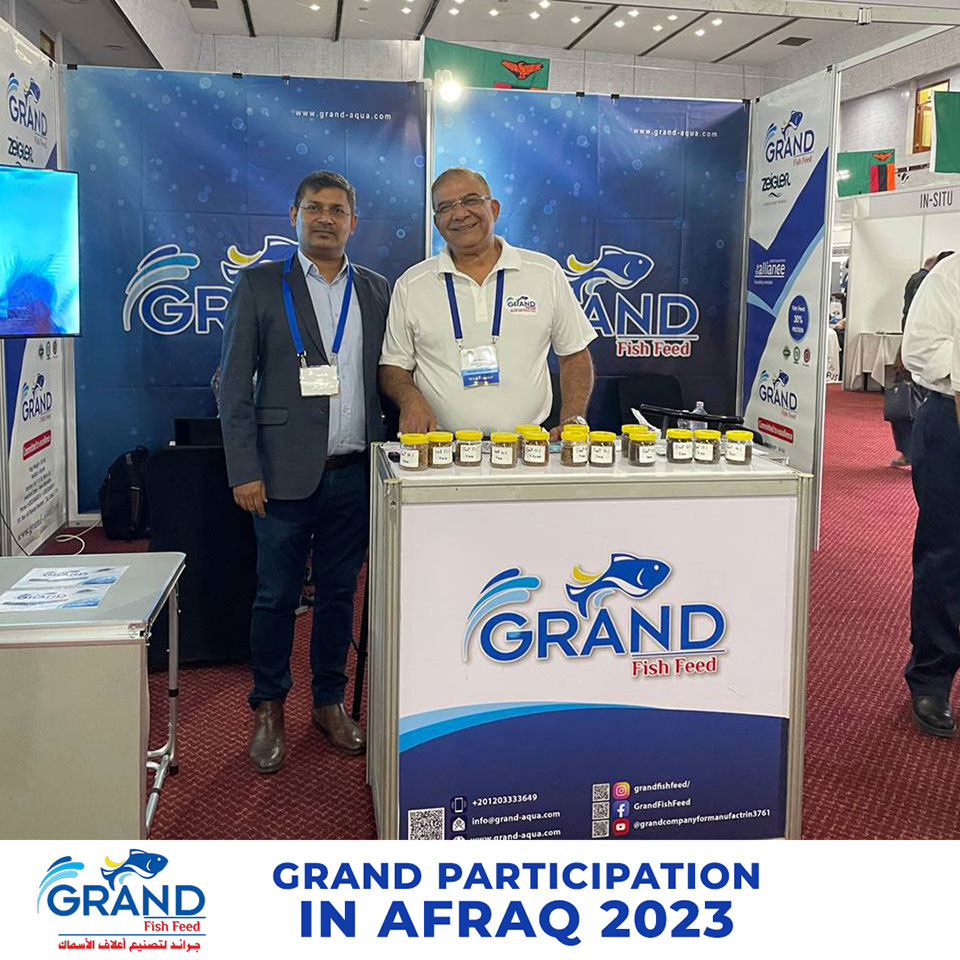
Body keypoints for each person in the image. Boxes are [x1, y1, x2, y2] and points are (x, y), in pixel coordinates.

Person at [219, 170, 390, 774]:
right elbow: (232, 387)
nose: (325, 218)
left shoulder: (376, 289)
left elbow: (391, 377)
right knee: (276, 596)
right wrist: (244, 470)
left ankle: (328, 701)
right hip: (279, 474)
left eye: (337, 210)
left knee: (341, 593)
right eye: (314, 207)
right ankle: (267, 705)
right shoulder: (260, 284)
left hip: (356, 473)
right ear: (294, 216)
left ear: (353, 222)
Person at [379, 167, 596, 437]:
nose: (460, 214)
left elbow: (574, 354)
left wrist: (573, 419)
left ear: (494, 209)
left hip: (526, 445)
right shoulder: (412, 284)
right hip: (442, 446)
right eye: (446, 207)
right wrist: (410, 399)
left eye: (470, 200)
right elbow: (393, 365)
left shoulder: (544, 272)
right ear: (436, 222)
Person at [900, 250, 960, 737]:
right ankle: (932, 679)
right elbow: (920, 350)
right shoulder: (951, 272)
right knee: (945, 554)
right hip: (951, 418)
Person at [891, 253, 953, 467]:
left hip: (939, 381)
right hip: (944, 394)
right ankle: (907, 450)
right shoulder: (941, 278)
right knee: (906, 403)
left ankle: (907, 450)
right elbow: (918, 338)